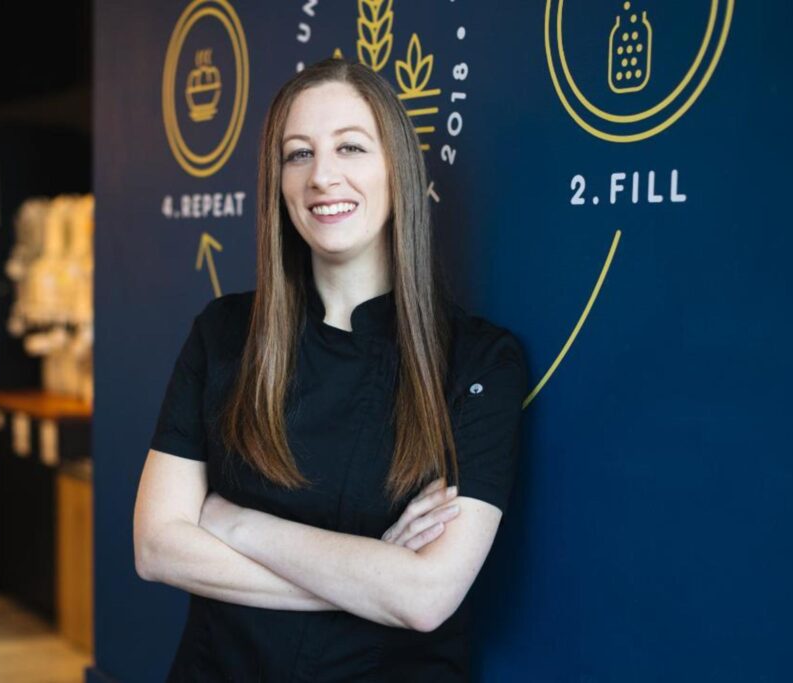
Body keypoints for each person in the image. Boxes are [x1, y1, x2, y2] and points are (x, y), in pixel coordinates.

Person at [134, 57, 528, 681]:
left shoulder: (479, 360)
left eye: (350, 147)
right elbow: (157, 547)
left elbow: (426, 596)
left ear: (397, 168)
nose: (322, 176)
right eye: (298, 154)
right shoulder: (223, 332)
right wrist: (369, 579)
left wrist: (233, 522)